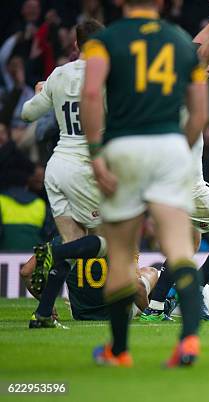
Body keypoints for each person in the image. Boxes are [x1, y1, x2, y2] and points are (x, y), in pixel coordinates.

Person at [80, 0, 209, 367]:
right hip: (169, 145)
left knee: (121, 254)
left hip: (124, 146)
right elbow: (200, 112)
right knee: (179, 248)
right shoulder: (182, 41)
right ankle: (188, 342)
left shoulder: (104, 41)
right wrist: (177, 149)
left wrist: (94, 151)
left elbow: (90, 94)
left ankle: (119, 351)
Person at [142, 0, 209, 323]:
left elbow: (194, 50)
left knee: (187, 245)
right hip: (188, 188)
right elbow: (202, 55)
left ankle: (156, 305)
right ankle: (197, 290)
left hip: (167, 184)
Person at [20, 19, 107, 330]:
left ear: (75, 45)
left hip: (56, 167)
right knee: (107, 241)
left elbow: (27, 113)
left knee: (74, 245)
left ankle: (42, 314)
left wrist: (40, 91)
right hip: (85, 168)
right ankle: (50, 253)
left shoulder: (58, 74)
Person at [20, 251, 160, 321]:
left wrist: (47, 304)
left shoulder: (63, 242)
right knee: (151, 272)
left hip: (80, 313)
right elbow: (138, 287)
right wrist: (148, 314)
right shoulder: (117, 238)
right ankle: (157, 307)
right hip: (120, 312)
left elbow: (26, 272)